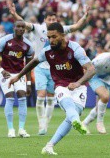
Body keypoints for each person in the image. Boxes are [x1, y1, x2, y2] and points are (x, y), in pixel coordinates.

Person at [9, 22, 95, 155]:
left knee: (72, 115)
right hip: (61, 85)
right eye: (49, 37)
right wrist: (18, 76)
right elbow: (33, 63)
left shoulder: (75, 48)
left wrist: (78, 83)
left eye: (54, 37)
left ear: (62, 35)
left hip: (79, 86)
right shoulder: (48, 51)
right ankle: (77, 122)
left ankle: (49, 145)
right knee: (70, 110)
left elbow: (91, 69)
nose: (51, 40)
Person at [8, 2, 90, 135]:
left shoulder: (60, 29)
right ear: (45, 20)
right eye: (49, 19)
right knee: (41, 95)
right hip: (40, 66)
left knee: (51, 96)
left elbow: (76, 26)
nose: (51, 21)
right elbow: (24, 24)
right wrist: (14, 14)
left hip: (55, 68)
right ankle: (41, 123)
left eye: (53, 19)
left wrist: (85, 16)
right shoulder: (38, 28)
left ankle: (46, 122)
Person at [0, 20, 34, 138]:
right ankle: (11, 129)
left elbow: (29, 66)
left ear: (25, 29)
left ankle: (21, 129)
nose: (20, 29)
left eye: (22, 27)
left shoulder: (28, 45)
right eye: (18, 27)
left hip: (19, 74)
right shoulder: (4, 40)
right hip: (5, 73)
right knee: (10, 97)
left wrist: (29, 83)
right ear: (14, 28)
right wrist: (1, 71)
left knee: (22, 95)